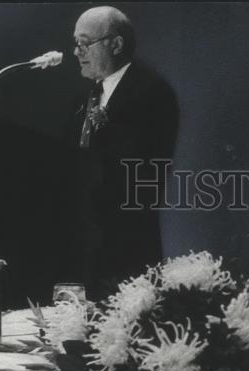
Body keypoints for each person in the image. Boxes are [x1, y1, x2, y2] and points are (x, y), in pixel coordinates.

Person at [67, 6, 178, 299]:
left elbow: (139, 172)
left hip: (127, 248)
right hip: (86, 245)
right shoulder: (87, 94)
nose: (77, 52)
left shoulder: (152, 92)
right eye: (75, 43)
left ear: (115, 44)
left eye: (84, 43)